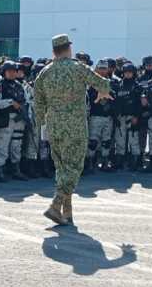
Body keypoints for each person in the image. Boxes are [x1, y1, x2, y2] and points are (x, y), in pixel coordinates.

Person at [33, 34, 110, 226]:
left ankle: (66, 213)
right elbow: (102, 82)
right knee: (74, 168)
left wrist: (41, 125)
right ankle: (55, 204)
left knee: (62, 168)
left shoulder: (45, 72)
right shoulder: (78, 67)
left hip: (54, 126)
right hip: (74, 126)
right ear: (68, 48)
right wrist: (102, 93)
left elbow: (38, 103)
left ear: (53, 51)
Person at [0, 61, 28, 181]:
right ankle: (0, 171)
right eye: (9, 71)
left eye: (14, 71)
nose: (12, 73)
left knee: (16, 145)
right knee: (2, 145)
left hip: (18, 119)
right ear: (4, 72)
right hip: (5, 119)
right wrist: (10, 102)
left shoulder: (19, 85)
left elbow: (25, 101)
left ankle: (16, 170)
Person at [111, 62, 142, 172]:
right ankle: (119, 161)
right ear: (123, 73)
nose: (128, 74)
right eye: (126, 72)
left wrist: (136, 116)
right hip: (121, 116)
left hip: (132, 116)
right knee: (120, 139)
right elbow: (115, 102)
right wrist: (116, 115)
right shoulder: (118, 85)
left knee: (133, 140)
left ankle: (135, 162)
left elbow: (139, 104)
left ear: (133, 73)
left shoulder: (137, 86)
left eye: (130, 72)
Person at [86, 60, 115, 173]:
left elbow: (115, 97)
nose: (103, 71)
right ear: (96, 69)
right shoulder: (91, 82)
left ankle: (104, 163)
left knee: (106, 141)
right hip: (95, 116)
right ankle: (90, 163)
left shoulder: (112, 82)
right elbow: (89, 97)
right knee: (93, 141)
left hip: (108, 116)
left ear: (108, 69)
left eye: (104, 68)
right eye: (100, 68)